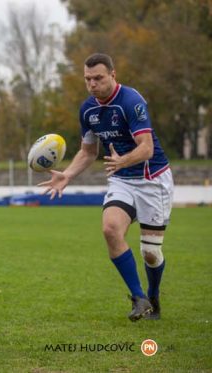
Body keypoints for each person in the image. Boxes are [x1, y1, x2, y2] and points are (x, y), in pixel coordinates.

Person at [39, 53, 173, 322]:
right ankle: (139, 298)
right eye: (88, 79)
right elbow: (88, 152)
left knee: (150, 252)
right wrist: (67, 175)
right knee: (110, 228)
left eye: (98, 78)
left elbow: (146, 149)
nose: (92, 84)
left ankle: (153, 295)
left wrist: (122, 160)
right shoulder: (88, 110)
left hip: (152, 178)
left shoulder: (131, 101)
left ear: (113, 74)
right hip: (122, 180)